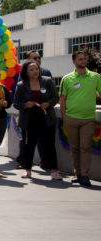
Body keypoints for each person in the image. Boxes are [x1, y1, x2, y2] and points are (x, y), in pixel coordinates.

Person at [13, 60, 62, 180]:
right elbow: (16, 103)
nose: (35, 71)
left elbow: (55, 97)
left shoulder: (47, 81)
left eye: (36, 68)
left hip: (46, 118)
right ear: (26, 72)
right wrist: (25, 105)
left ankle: (54, 171)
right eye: (31, 69)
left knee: (49, 146)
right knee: (29, 145)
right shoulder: (21, 85)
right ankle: (28, 170)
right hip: (29, 119)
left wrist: (48, 103)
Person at [59, 50, 101, 187]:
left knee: (85, 147)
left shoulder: (95, 77)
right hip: (71, 118)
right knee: (75, 148)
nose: (83, 61)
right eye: (80, 59)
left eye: (85, 59)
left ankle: (85, 175)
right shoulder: (67, 78)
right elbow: (62, 100)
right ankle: (77, 174)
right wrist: (65, 117)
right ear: (74, 61)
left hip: (88, 118)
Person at [15, 49, 52, 169]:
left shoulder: (46, 73)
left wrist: (47, 103)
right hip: (27, 113)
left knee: (43, 140)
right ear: (28, 60)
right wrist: (24, 108)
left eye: (39, 57)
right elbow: (19, 97)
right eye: (34, 58)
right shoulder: (23, 75)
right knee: (26, 140)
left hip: (43, 113)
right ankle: (22, 161)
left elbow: (51, 93)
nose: (37, 60)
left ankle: (45, 161)